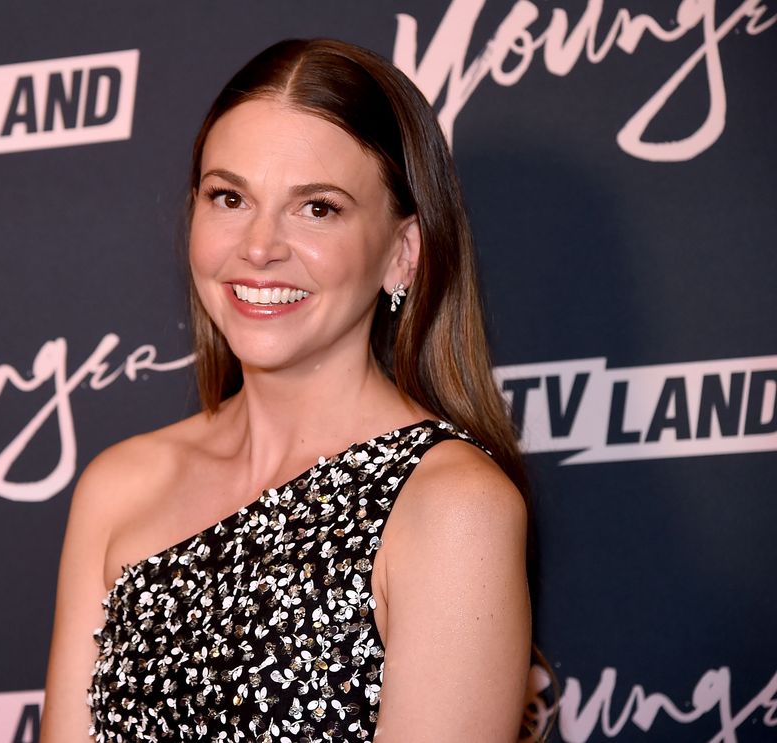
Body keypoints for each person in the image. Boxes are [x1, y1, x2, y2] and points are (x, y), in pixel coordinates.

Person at [41, 38, 533, 742]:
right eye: (230, 197)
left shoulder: (454, 506)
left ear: (403, 253)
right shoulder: (120, 486)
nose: (260, 246)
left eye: (318, 208)